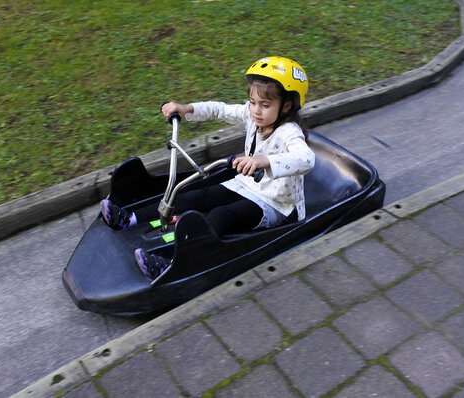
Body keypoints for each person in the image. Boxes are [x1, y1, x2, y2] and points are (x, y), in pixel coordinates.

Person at [100, 56, 315, 280]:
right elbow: (219, 110)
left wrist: (264, 161)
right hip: (246, 184)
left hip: (275, 204)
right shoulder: (252, 116)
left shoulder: (289, 131)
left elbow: (306, 159)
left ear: (287, 106)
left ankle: (170, 265)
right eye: (252, 102)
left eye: (265, 105)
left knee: (220, 216)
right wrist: (185, 108)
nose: (256, 110)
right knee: (193, 195)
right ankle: (128, 218)